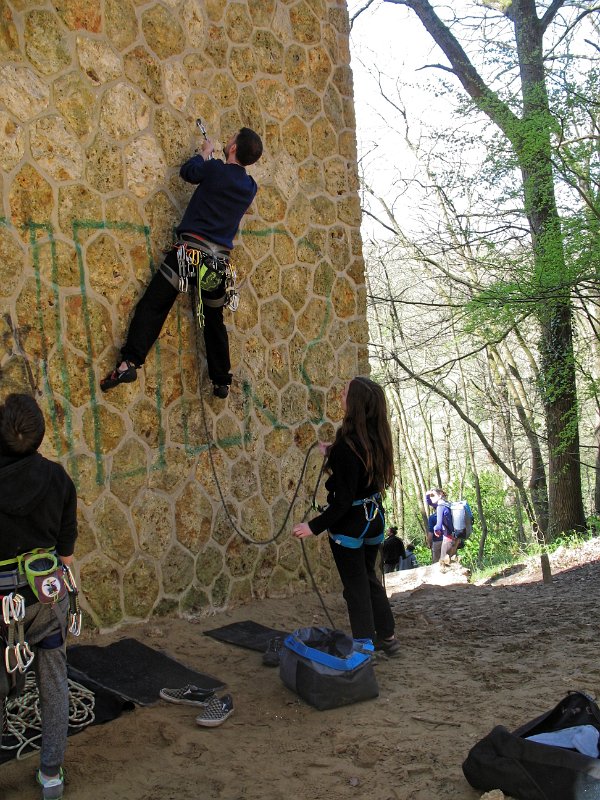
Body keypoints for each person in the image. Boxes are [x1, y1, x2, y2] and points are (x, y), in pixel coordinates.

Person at [100, 126, 263, 399]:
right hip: (218, 264)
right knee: (214, 320)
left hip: (189, 254)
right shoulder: (250, 187)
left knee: (155, 304)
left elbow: (189, 172)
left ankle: (130, 362)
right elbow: (223, 183)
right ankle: (221, 381)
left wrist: (204, 154)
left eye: (232, 137)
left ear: (234, 147)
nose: (230, 139)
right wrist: (212, 165)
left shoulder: (214, 170)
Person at [0, 394, 78, 800]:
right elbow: (65, 554)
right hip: (47, 596)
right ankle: (51, 774)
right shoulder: (58, 478)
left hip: (1, 601)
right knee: (53, 680)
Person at [292, 377, 400, 657]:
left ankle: (364, 644)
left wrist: (311, 527)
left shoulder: (347, 447)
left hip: (350, 525)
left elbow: (341, 503)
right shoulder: (377, 438)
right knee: (369, 577)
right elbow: (357, 467)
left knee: (355, 587)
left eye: (345, 392)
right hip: (374, 520)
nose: (340, 395)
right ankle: (387, 636)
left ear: (355, 403)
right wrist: (331, 451)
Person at [425, 488, 454, 565]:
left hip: (447, 538)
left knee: (443, 563)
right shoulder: (446, 504)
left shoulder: (440, 506)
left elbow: (438, 526)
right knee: (449, 562)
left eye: (433, 495)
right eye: (431, 496)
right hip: (453, 537)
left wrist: (435, 529)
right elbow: (430, 502)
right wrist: (427, 495)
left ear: (440, 494)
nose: (431, 497)